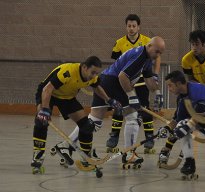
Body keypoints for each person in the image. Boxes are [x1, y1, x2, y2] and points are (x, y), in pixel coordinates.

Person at [56, 37, 165, 166]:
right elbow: (123, 76)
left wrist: (158, 93)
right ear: (149, 45)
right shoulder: (140, 55)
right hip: (114, 82)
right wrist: (132, 96)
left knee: (94, 122)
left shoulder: (147, 59)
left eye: (160, 53)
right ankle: (129, 154)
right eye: (157, 51)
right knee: (132, 118)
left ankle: (66, 145)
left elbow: (149, 80)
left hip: (104, 81)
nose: (158, 55)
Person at [31, 56, 121, 173]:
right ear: (84, 67)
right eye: (92, 72)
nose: (94, 76)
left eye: (96, 73)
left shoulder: (92, 77)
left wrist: (109, 100)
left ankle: (87, 158)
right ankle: (38, 156)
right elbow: (47, 89)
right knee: (41, 121)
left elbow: (97, 87)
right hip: (49, 94)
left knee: (87, 126)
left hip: (67, 97)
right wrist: (44, 109)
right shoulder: (68, 72)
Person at [159, 30, 205, 167]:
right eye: (192, 44)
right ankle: (166, 150)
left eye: (197, 44)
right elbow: (190, 82)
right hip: (192, 92)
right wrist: (195, 100)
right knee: (180, 122)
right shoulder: (187, 59)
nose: (194, 47)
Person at [106, 14, 162, 154]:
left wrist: (155, 74)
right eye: (129, 26)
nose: (131, 29)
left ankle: (149, 137)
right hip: (124, 79)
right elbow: (118, 64)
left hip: (141, 79)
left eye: (134, 26)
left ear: (138, 27)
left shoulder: (147, 41)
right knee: (120, 107)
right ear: (126, 27)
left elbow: (156, 58)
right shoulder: (119, 43)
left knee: (144, 107)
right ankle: (114, 137)